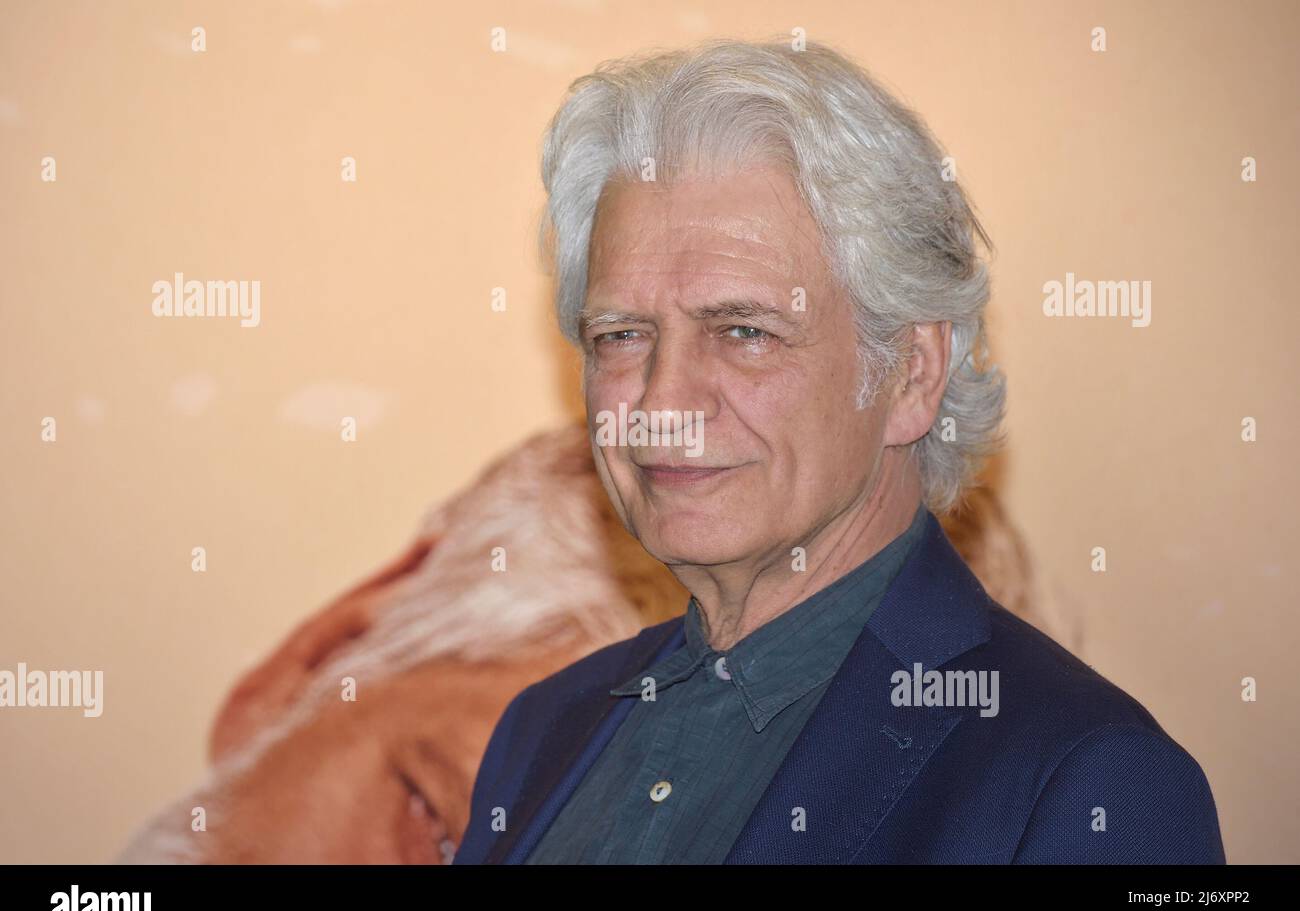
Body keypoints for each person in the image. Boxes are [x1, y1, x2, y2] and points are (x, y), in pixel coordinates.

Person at [455, 39, 1225, 864]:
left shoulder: (1090, 779)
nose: (662, 401)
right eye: (621, 334)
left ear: (909, 373)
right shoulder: (541, 732)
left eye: (743, 330)